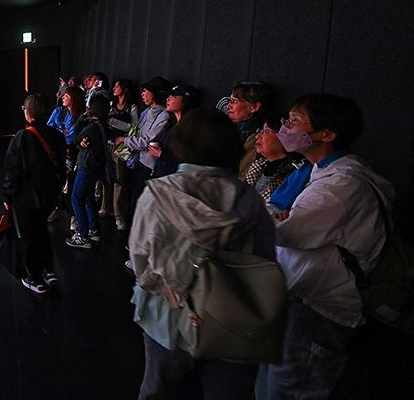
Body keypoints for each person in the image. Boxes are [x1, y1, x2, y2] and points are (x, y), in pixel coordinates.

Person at [129, 108, 276, 400]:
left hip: (166, 320)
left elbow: (140, 259)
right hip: (233, 324)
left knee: (157, 391)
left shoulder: (158, 193)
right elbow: (266, 260)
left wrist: (173, 292)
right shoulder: (249, 200)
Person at [256, 94, 395, 400]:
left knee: (286, 392)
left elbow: (285, 230)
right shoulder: (316, 171)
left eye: (295, 122)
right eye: (287, 119)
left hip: (318, 310)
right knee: (267, 389)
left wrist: (279, 218)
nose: (286, 128)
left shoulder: (341, 185)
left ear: (327, 134)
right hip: (299, 301)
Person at [1, 93, 67, 295]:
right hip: (48, 198)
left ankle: (35, 277)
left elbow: (13, 171)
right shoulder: (57, 135)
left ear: (28, 113)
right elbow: (62, 168)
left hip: (25, 199)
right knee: (41, 231)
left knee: (28, 236)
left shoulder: (22, 137)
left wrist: (7, 196)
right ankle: (49, 271)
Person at [114, 75, 172, 226]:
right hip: (138, 160)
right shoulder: (146, 111)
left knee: (139, 200)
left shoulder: (164, 115)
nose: (142, 94)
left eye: (146, 91)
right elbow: (135, 131)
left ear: (156, 94)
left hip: (148, 166)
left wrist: (124, 140)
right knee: (132, 196)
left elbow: (146, 141)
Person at [65, 95, 112, 248]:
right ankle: (93, 230)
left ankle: (82, 236)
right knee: (88, 198)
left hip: (87, 166)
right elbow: (80, 141)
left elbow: (75, 137)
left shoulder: (93, 127)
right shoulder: (103, 125)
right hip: (96, 167)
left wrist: (80, 119)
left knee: (76, 198)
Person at [100, 78, 139, 230]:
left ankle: (119, 215)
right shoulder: (111, 105)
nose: (114, 88)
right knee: (105, 177)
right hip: (107, 144)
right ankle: (105, 207)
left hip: (122, 147)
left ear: (125, 89)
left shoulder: (132, 107)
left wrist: (114, 122)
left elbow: (134, 128)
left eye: (117, 85)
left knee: (120, 180)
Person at [243, 114, 305, 210]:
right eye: (260, 131)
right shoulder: (259, 165)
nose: (258, 136)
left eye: (266, 131)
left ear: (284, 136)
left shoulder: (294, 173)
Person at [46, 86, 84, 222]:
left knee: (72, 184)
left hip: (75, 153)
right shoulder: (58, 112)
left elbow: (76, 137)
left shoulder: (81, 116)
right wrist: (62, 134)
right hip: (59, 152)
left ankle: (73, 216)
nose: (63, 97)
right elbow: (49, 130)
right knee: (57, 182)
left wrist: (63, 134)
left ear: (74, 98)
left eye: (66, 96)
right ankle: (55, 208)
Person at [225, 81, 275, 178]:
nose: (228, 106)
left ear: (254, 107)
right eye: (229, 101)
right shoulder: (223, 125)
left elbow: (240, 174)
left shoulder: (255, 137)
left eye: (234, 101)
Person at [149, 83, 199, 178]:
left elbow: (187, 160)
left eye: (173, 96)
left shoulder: (189, 128)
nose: (168, 99)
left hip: (172, 182)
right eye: (168, 96)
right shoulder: (175, 124)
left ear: (185, 100)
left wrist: (161, 154)